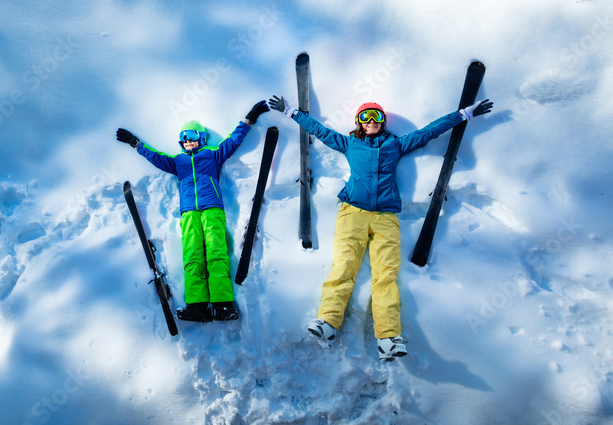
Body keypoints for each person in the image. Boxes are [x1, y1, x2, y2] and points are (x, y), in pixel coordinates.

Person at [268, 94, 492, 360]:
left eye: (376, 116)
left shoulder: (395, 146)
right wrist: (292, 112)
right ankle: (328, 322)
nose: (371, 121)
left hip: (386, 216)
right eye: (366, 116)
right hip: (353, 212)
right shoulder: (350, 144)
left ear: (383, 122)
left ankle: (388, 338)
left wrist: (463, 115)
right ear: (359, 123)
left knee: (385, 275)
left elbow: (429, 132)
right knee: (344, 266)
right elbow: (320, 131)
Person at [116, 101, 270, 322]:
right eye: (183, 137)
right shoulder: (178, 162)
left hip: (212, 209)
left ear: (202, 137)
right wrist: (136, 143)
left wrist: (249, 119)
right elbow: (156, 158)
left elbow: (233, 141)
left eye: (190, 135)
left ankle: (222, 304)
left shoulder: (212, 155)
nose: (186, 140)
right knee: (192, 256)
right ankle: (197, 306)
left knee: (216, 253)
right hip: (189, 213)